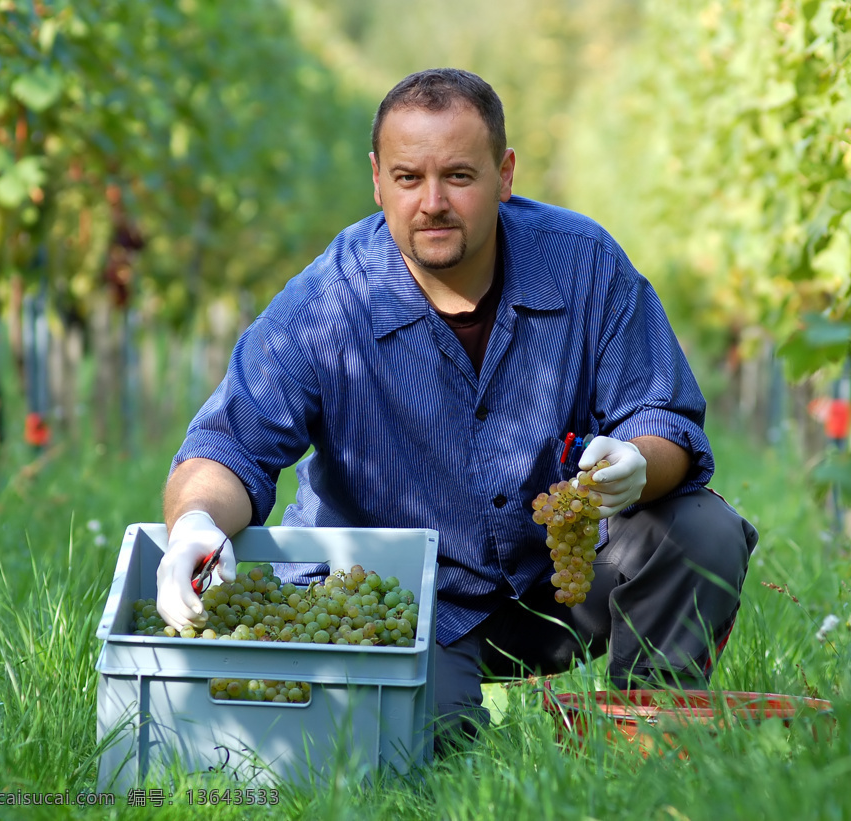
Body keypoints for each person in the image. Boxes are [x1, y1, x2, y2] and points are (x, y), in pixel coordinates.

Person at [156, 67, 757, 742]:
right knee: (428, 754)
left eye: (460, 177)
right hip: (406, 604)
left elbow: (666, 418)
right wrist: (197, 523)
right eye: (409, 178)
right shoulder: (326, 301)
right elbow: (229, 446)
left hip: (559, 581)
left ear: (504, 175)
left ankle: (653, 736)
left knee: (702, 529)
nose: (432, 202)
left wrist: (639, 463)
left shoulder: (584, 262)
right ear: (377, 180)